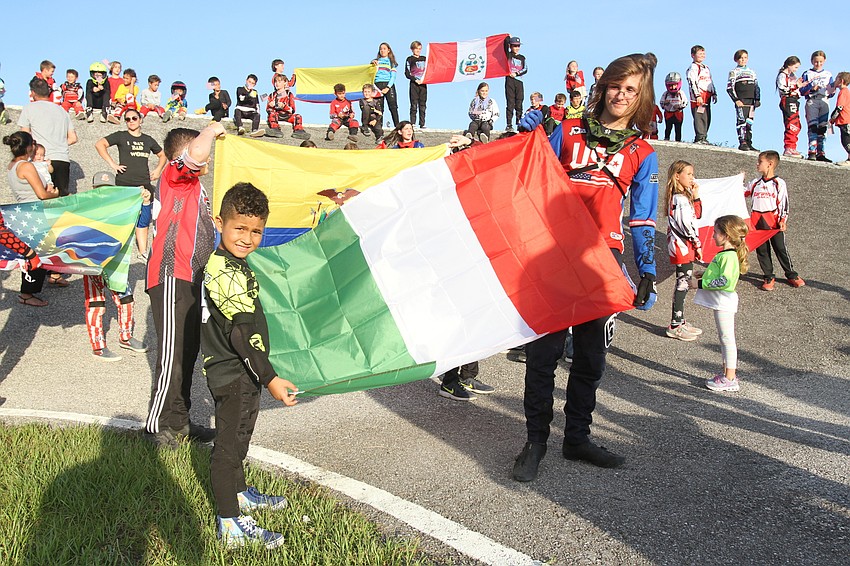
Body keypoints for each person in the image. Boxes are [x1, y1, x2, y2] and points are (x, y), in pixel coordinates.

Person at [512, 53, 659, 482]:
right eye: (616, 86)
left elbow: (643, 217)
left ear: (641, 97)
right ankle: (535, 441)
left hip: (602, 260)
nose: (621, 95)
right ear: (603, 87)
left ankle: (576, 438)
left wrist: (647, 270)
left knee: (590, 357)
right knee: (543, 354)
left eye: (631, 90)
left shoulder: (643, 152)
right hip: (554, 254)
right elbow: (530, 175)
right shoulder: (569, 129)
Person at [202, 182, 298, 548]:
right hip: (233, 370)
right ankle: (229, 524)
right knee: (227, 447)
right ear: (219, 223)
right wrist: (270, 377)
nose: (247, 238)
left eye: (256, 231)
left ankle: (239, 493)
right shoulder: (225, 271)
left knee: (241, 436)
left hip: (244, 370)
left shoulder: (232, 263)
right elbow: (241, 335)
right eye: (239, 228)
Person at [143, 122, 226, 449]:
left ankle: (179, 421)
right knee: (172, 356)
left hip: (193, 279)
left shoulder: (194, 187)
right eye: (203, 153)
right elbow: (196, 154)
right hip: (171, 275)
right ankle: (156, 426)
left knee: (187, 354)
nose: (208, 159)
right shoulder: (175, 176)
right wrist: (211, 128)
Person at [83, 171, 151, 361]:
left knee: (126, 300)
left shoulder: (122, 208)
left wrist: (145, 202)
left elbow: (142, 222)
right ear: (93, 190)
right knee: (96, 303)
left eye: (109, 190)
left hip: (116, 263)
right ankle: (98, 346)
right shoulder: (84, 207)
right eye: (100, 189)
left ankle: (126, 337)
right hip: (92, 262)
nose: (104, 194)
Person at [689, 215, 748, 392]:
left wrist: (699, 284)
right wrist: (705, 274)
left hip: (724, 302)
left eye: (716, 232)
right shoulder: (727, 255)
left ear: (726, 235)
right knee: (724, 339)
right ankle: (727, 374)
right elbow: (720, 275)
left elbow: (725, 281)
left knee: (727, 339)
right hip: (721, 302)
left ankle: (730, 378)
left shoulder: (728, 256)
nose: (713, 235)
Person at [4, 130, 60, 307]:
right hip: (35, 213)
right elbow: (42, 194)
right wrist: (55, 194)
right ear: (29, 147)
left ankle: (53, 276)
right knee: (38, 251)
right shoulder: (26, 166)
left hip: (26, 212)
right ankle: (27, 293)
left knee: (45, 248)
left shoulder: (12, 165)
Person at [744, 150, 805, 291]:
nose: (757, 164)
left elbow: (783, 203)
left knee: (780, 249)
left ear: (770, 164)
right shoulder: (755, 183)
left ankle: (791, 274)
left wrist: (783, 219)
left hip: (773, 223)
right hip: (757, 223)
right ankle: (768, 276)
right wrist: (737, 181)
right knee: (762, 251)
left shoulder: (779, 183)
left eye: (760, 162)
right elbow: (743, 193)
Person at [18, 77, 78, 196]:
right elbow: (73, 138)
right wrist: (59, 144)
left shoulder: (29, 108)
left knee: (42, 197)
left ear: (33, 92)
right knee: (61, 199)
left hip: (40, 160)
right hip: (62, 159)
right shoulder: (62, 111)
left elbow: (25, 137)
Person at [665, 160, 703, 341]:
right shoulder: (678, 198)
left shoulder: (684, 196)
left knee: (685, 281)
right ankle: (675, 325)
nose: (692, 177)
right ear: (677, 176)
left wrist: (696, 196)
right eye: (688, 174)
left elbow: (698, 215)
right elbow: (685, 226)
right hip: (682, 246)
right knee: (683, 282)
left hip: (685, 245)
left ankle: (679, 320)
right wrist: (697, 243)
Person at [800, 51, 835, 162]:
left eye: (820, 61)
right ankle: (812, 152)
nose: (818, 64)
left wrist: (831, 90)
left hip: (824, 100)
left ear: (824, 61)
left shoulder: (828, 74)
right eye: (816, 62)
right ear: (812, 61)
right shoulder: (807, 73)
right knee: (813, 126)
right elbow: (801, 90)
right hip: (812, 101)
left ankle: (821, 153)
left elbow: (832, 92)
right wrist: (811, 88)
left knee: (823, 127)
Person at [727, 50, 760, 151]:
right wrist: (736, 100)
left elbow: (757, 86)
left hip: (751, 101)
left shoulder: (752, 72)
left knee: (749, 122)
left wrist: (757, 99)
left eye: (745, 57)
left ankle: (749, 142)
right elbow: (729, 88)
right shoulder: (734, 72)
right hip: (741, 100)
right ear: (736, 59)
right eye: (741, 58)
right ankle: (742, 142)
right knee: (742, 121)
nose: (743, 60)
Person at [687, 45, 717, 144]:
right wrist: (697, 95)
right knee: (699, 116)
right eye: (699, 53)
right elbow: (692, 82)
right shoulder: (693, 67)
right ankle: (700, 137)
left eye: (703, 53)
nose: (702, 55)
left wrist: (714, 93)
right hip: (698, 97)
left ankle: (704, 137)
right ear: (693, 55)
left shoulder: (706, 68)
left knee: (707, 117)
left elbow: (710, 81)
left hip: (707, 96)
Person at [776, 56, 805, 158]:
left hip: (794, 100)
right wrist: (796, 86)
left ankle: (792, 146)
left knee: (796, 124)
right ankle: (789, 147)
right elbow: (783, 88)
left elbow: (797, 88)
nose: (796, 70)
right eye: (795, 67)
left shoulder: (792, 76)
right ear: (789, 65)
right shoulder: (782, 75)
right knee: (792, 123)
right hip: (788, 100)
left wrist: (802, 86)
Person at [266, 74, 310, 140]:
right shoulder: (271, 95)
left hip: (287, 115)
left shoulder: (289, 95)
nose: (277, 83)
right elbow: (268, 109)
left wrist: (284, 106)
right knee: (272, 114)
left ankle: (299, 131)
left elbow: (292, 110)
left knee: (298, 116)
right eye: (276, 82)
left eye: (279, 81)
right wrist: (270, 105)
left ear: (285, 83)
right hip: (276, 115)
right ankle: (275, 129)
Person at [372, 42, 400, 127]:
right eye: (381, 49)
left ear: (388, 50)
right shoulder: (376, 62)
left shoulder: (391, 62)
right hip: (377, 85)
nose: (382, 50)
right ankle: (379, 128)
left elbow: (393, 76)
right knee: (379, 108)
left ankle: (397, 126)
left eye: (384, 49)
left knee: (393, 106)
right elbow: (370, 73)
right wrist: (372, 63)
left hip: (388, 85)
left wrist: (388, 87)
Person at [504, 36, 527, 132]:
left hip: (519, 81)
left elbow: (525, 69)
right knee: (510, 103)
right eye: (514, 46)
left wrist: (516, 74)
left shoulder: (522, 58)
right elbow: (504, 46)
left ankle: (519, 122)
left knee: (519, 102)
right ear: (511, 46)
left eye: (518, 46)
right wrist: (507, 37)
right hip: (510, 81)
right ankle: (509, 124)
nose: (517, 48)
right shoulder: (508, 55)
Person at [660, 71, 688, 141]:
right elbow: (661, 103)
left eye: (674, 85)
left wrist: (679, 106)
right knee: (668, 127)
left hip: (678, 113)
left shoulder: (681, 93)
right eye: (670, 85)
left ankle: (678, 140)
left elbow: (685, 102)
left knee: (678, 128)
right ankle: (666, 138)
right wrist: (665, 103)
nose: (672, 87)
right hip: (668, 113)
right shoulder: (666, 94)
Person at [405, 41, 427, 128]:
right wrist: (415, 79)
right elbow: (407, 73)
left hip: (423, 84)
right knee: (414, 104)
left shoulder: (424, 58)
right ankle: (413, 123)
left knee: (423, 104)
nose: (418, 50)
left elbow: (430, 69)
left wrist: (424, 80)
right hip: (414, 84)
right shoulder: (410, 59)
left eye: (419, 49)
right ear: (412, 49)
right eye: (416, 49)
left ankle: (422, 123)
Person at [830, 71, 850, 166]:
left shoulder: (843, 92)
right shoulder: (846, 92)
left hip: (845, 120)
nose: (835, 81)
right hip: (845, 120)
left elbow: (839, 107)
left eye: (836, 79)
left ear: (841, 81)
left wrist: (832, 118)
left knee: (846, 140)